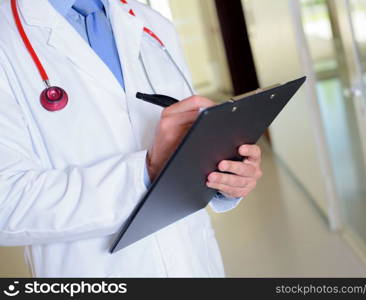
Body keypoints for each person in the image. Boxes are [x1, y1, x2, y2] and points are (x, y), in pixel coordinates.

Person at [0, 0, 263, 277]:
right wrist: (147, 170)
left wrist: (224, 174)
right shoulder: (7, 37)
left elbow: (188, 139)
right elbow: (6, 205)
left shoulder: (153, 25)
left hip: (195, 263)